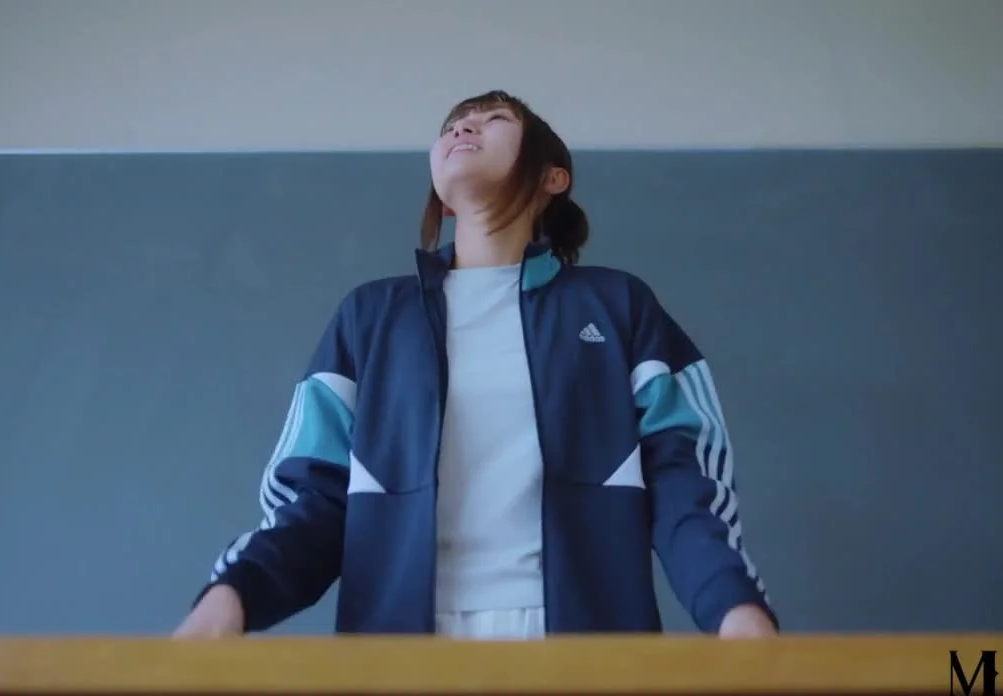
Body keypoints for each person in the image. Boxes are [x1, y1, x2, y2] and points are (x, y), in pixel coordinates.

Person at [174, 90, 778, 640]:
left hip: (591, 657)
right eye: (453, 125)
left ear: (552, 176)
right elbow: (314, 499)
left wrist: (736, 609)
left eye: (492, 120)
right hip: (398, 666)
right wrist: (230, 597)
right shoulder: (371, 317)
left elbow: (685, 487)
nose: (463, 129)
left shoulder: (618, 306)